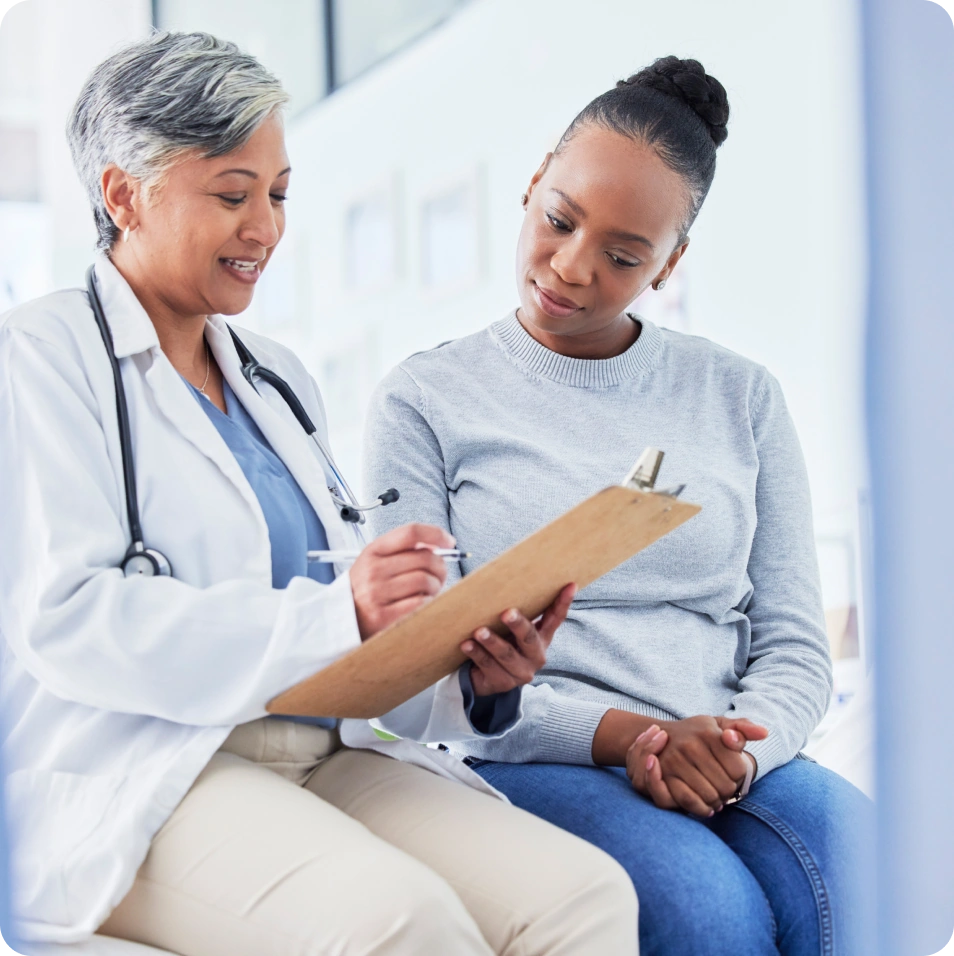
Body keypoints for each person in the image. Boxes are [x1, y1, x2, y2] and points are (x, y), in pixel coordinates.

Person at [0, 32, 638, 955]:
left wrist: (472, 674)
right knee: (401, 927)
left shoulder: (278, 380)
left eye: (279, 193)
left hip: (326, 749)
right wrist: (339, 614)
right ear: (123, 195)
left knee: (582, 898)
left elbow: (354, 637)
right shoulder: (42, 359)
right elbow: (68, 620)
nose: (266, 227)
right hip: (154, 772)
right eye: (232, 194)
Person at [365, 56, 873, 955]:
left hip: (725, 746)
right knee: (707, 914)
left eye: (624, 255)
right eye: (558, 221)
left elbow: (797, 643)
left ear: (670, 263)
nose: (570, 268)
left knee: (877, 874)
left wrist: (738, 750)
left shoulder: (740, 396)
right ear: (531, 188)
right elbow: (420, 667)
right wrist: (637, 734)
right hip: (541, 749)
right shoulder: (425, 398)